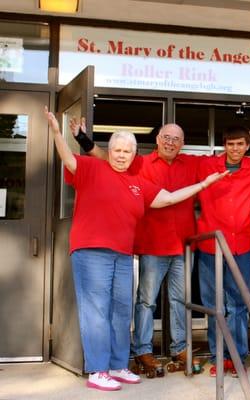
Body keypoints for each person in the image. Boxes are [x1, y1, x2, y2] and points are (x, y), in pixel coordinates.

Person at [45, 107, 227, 391]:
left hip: (123, 253)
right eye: (117, 150)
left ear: (133, 155)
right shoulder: (93, 168)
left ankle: (118, 365)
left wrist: (203, 184)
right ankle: (97, 370)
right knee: (96, 310)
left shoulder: (137, 183)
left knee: (120, 311)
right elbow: (68, 160)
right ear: (110, 150)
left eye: (127, 151)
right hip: (91, 250)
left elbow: (168, 198)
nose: (121, 155)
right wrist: (57, 133)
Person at [71, 119, 250, 377]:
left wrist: (249, 145)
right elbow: (103, 158)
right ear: (157, 140)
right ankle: (143, 350)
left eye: (176, 139)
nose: (170, 142)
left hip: (183, 245)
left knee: (180, 300)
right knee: (146, 301)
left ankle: (179, 348)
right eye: (166, 137)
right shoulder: (140, 162)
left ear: (182, 143)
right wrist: (83, 140)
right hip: (153, 243)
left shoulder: (192, 163)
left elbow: (226, 159)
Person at [196, 125, 250, 377]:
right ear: (223, 145)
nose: (235, 149)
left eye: (241, 144)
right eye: (231, 144)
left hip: (241, 248)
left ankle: (237, 357)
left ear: (247, 146)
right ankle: (220, 357)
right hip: (210, 248)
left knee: (237, 304)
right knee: (214, 305)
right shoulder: (206, 166)